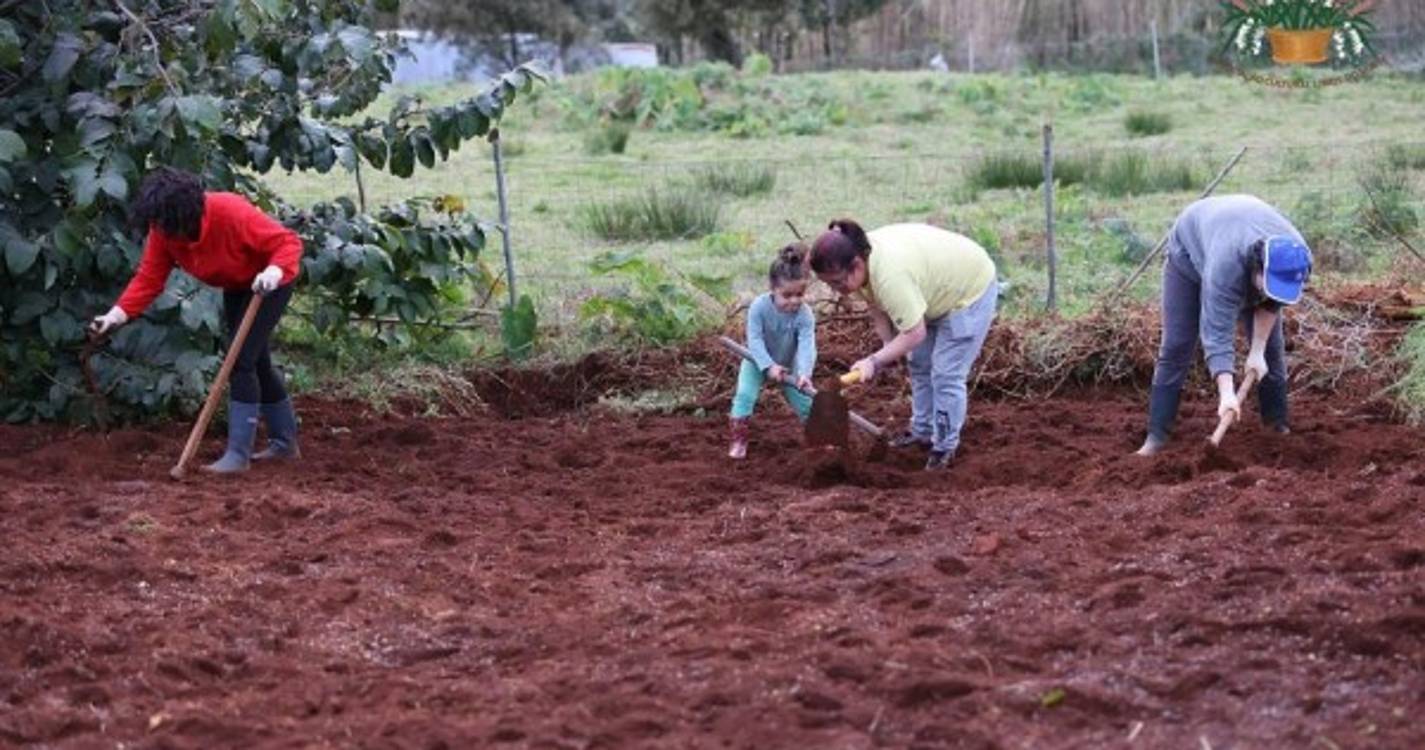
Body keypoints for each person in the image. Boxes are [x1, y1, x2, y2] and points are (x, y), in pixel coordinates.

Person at [89, 167, 304, 473]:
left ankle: (238, 455)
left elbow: (288, 243)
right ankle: (284, 444)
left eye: (166, 223)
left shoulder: (229, 211)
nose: (161, 230)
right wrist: (114, 316)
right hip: (238, 284)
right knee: (257, 362)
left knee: (240, 361)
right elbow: (149, 278)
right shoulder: (164, 231)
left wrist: (272, 272)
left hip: (272, 281)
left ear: (186, 214)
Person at [809, 220, 998, 471]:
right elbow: (874, 302)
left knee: (945, 374)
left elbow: (914, 332)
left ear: (856, 265)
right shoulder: (859, 259)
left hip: (967, 291)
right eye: (829, 284)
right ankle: (922, 432)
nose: (837, 290)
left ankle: (944, 446)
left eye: (837, 282)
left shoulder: (890, 275)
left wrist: (874, 361)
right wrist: (888, 345)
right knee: (918, 362)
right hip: (929, 289)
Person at [1136, 194, 1313, 456]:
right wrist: (1227, 393)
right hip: (1190, 251)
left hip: (1237, 228)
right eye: (1268, 284)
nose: (1272, 293)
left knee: (1270, 352)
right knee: (1177, 345)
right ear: (1257, 268)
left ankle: (1277, 428)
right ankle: (1156, 437)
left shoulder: (1298, 258)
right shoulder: (1226, 267)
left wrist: (1257, 351)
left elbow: (1274, 301)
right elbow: (1217, 334)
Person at [729, 243, 817, 460]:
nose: (794, 300)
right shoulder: (759, 308)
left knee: (807, 404)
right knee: (744, 396)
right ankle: (739, 439)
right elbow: (755, 340)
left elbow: (807, 345)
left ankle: (819, 441)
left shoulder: (804, 315)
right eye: (787, 295)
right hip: (756, 361)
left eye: (800, 294)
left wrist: (804, 373)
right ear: (772, 288)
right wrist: (767, 366)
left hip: (789, 365)